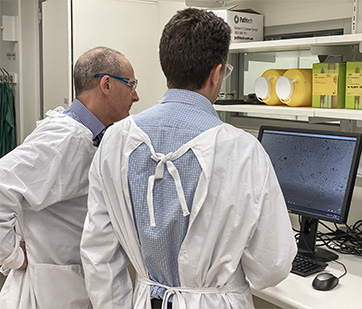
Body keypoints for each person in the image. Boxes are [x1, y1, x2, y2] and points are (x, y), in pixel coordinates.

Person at [80, 8, 297, 309]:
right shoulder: (243, 151)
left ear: (166, 67)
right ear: (217, 73)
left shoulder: (115, 140)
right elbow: (271, 267)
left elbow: (97, 252)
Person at [0, 46, 139, 308]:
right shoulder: (65, 138)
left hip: (66, 284)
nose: (136, 96)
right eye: (130, 85)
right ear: (106, 85)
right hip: (47, 290)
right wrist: (13, 256)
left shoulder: (89, 136)